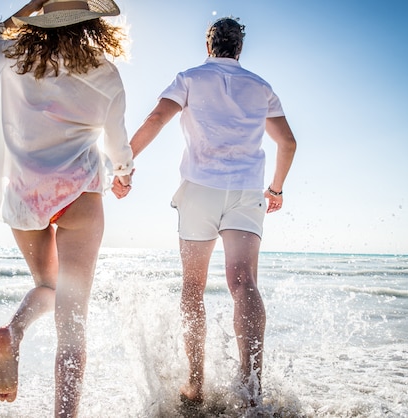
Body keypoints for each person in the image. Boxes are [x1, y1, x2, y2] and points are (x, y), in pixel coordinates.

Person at [117, 17, 297, 406]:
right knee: (244, 283)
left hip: (200, 189)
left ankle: (196, 383)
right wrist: (276, 188)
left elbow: (156, 119)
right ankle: (251, 388)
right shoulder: (260, 86)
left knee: (193, 287)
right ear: (240, 49)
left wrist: (125, 165)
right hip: (247, 191)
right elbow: (288, 142)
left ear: (208, 46)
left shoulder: (190, 78)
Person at [0, 0, 133, 416]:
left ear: (41, 20)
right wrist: (124, 173)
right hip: (78, 193)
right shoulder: (105, 74)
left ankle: (14, 331)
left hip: (25, 196)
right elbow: (118, 145)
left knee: (48, 286)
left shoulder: (14, 58)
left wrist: (34, 5)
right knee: (72, 324)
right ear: (92, 23)